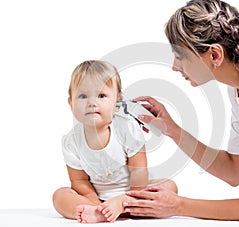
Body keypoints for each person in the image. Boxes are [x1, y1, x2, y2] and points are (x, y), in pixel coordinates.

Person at [123, 0, 239, 221]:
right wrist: (172, 130)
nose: (174, 66)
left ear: (214, 55)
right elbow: (234, 171)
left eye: (180, 56)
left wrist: (177, 206)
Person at [52, 60, 177, 223]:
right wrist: (96, 203)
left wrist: (128, 199)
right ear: (71, 103)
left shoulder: (127, 128)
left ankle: (122, 207)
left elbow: (139, 171)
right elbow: (79, 180)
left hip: (134, 195)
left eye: (101, 95)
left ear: (117, 103)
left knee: (169, 186)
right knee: (60, 196)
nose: (92, 102)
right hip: (97, 198)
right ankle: (98, 212)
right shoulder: (71, 141)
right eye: (83, 96)